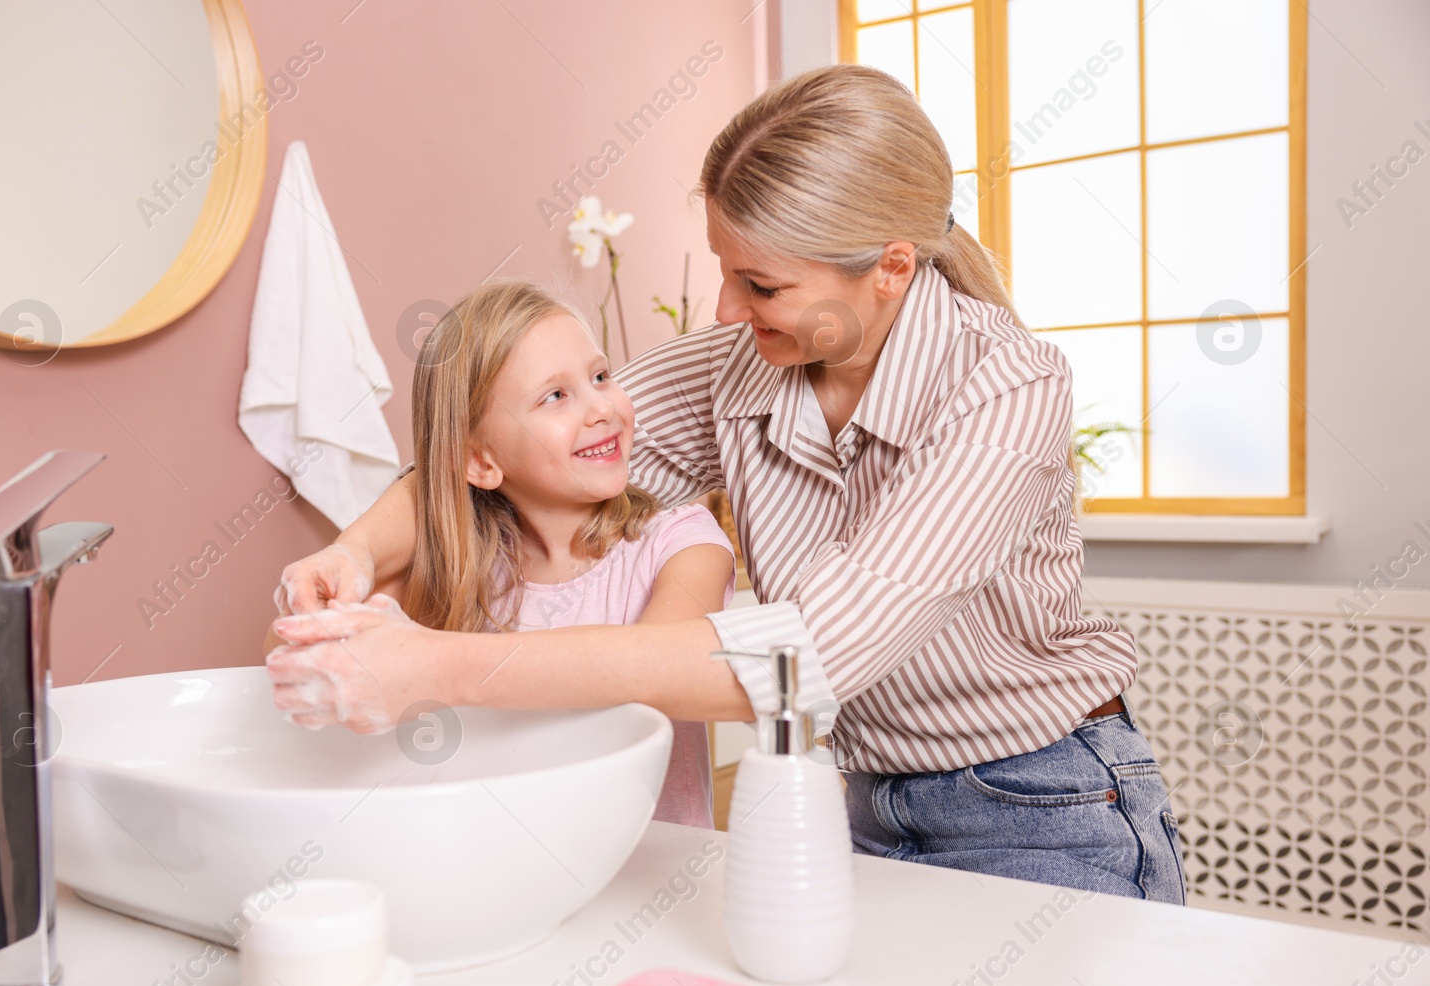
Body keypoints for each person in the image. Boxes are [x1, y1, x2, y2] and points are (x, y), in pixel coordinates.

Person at [266, 65, 1186, 903]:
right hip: (864, 801)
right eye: (721, 268)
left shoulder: (1008, 388)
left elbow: (806, 657)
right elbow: (495, 465)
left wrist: (428, 666)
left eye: (760, 283)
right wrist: (354, 548)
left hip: (1044, 802)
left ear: (892, 269)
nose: (724, 309)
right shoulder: (743, 363)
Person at [266, 279, 737, 827]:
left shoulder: (683, 543)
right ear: (482, 462)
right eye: (555, 396)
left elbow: (658, 671)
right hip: (500, 867)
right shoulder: (466, 573)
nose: (601, 408)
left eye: (601, 377)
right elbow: (298, 670)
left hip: (651, 879)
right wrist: (328, 586)